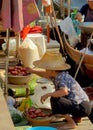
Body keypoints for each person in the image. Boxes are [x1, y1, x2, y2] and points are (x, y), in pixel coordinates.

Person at [26, 50, 92, 129]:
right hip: (84, 106)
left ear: (52, 70)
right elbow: (44, 74)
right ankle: (77, 117)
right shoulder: (57, 75)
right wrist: (32, 71)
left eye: (47, 68)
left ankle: (71, 123)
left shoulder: (60, 78)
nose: (46, 70)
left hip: (82, 108)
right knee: (58, 95)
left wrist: (48, 94)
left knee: (55, 99)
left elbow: (64, 91)